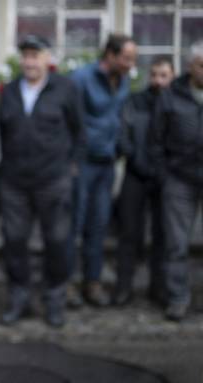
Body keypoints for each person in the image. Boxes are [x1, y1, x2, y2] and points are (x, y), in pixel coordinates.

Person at [0, 35, 83, 328]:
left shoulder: (66, 89)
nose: (30, 61)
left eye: (36, 55)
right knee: (15, 242)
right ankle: (19, 298)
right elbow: (0, 132)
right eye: (26, 55)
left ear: (48, 59)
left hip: (53, 181)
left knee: (57, 241)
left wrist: (71, 169)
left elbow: (79, 131)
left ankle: (54, 299)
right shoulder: (8, 91)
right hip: (14, 183)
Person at [67, 33, 137, 308]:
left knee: (98, 226)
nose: (132, 65)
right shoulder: (81, 79)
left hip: (107, 165)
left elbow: (119, 120)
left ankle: (92, 284)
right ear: (110, 55)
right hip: (82, 164)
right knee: (75, 225)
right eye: (127, 58)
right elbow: (70, 120)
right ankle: (69, 285)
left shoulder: (124, 81)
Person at [113, 56, 175, 307]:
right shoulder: (135, 101)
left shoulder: (177, 103)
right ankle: (123, 288)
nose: (158, 81)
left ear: (172, 77)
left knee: (162, 236)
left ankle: (158, 288)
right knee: (129, 234)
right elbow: (123, 134)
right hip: (136, 175)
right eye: (155, 75)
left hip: (166, 177)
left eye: (164, 75)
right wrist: (135, 158)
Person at [149, 41, 203, 321]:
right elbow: (156, 140)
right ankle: (178, 298)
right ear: (191, 66)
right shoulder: (171, 95)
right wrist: (165, 175)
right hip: (179, 179)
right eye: (202, 65)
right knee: (177, 244)